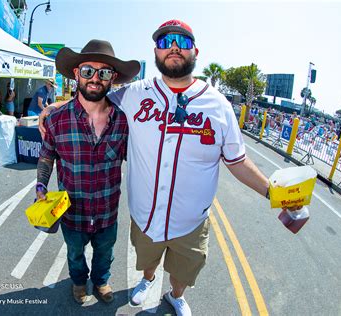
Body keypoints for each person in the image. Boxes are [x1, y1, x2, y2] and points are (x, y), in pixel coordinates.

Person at [40, 20, 302, 316]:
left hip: (191, 221)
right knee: (147, 259)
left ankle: (175, 296)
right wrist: (52, 109)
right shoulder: (134, 94)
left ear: (195, 51)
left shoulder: (218, 106)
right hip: (146, 216)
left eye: (183, 42)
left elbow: (238, 161)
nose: (174, 47)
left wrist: (274, 193)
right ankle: (147, 280)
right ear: (156, 52)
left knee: (182, 274)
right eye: (166, 42)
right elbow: (91, 96)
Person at [35, 39, 140, 305]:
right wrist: (40, 188)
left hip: (107, 211)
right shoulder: (57, 120)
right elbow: (47, 157)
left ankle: (102, 280)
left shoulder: (123, 122)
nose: (95, 78)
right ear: (76, 73)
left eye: (104, 72)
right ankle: (79, 282)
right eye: (88, 71)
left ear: (113, 78)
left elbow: (141, 161)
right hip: (73, 213)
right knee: (74, 254)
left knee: (105, 253)